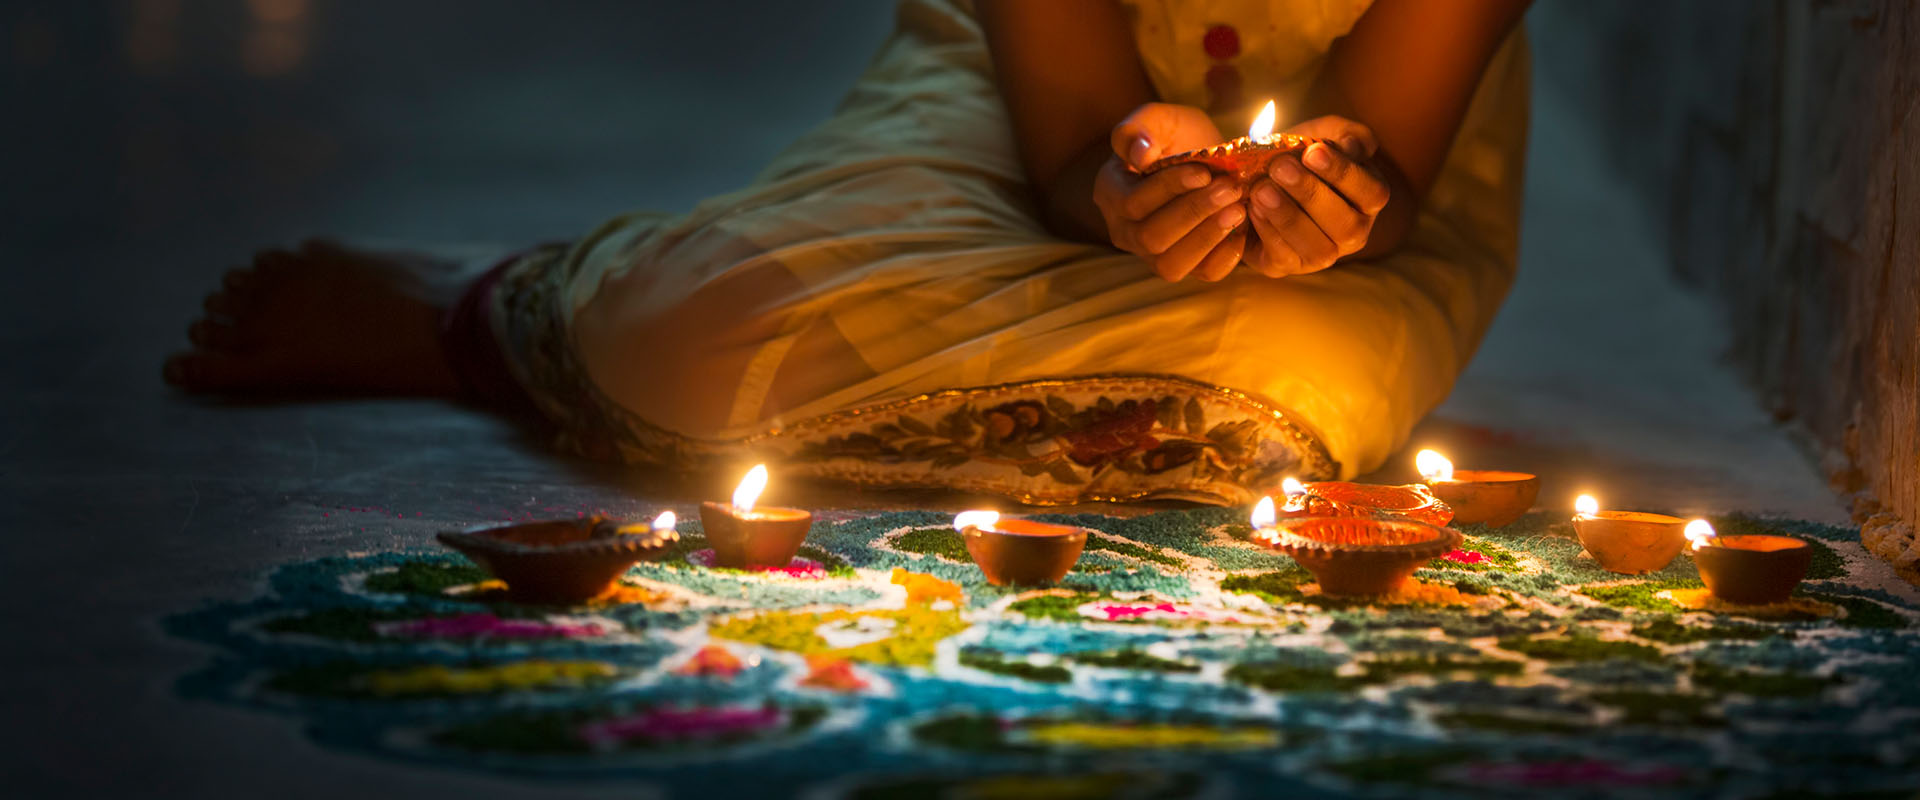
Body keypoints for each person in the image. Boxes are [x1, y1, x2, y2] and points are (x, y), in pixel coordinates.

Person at [165, 0, 1531, 506]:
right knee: (702, 335)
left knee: (1287, 388)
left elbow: (1393, 176)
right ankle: (497, 309)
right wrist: (1122, 190)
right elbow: (1069, 155)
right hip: (1013, 98)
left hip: (1358, 227)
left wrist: (1336, 199)